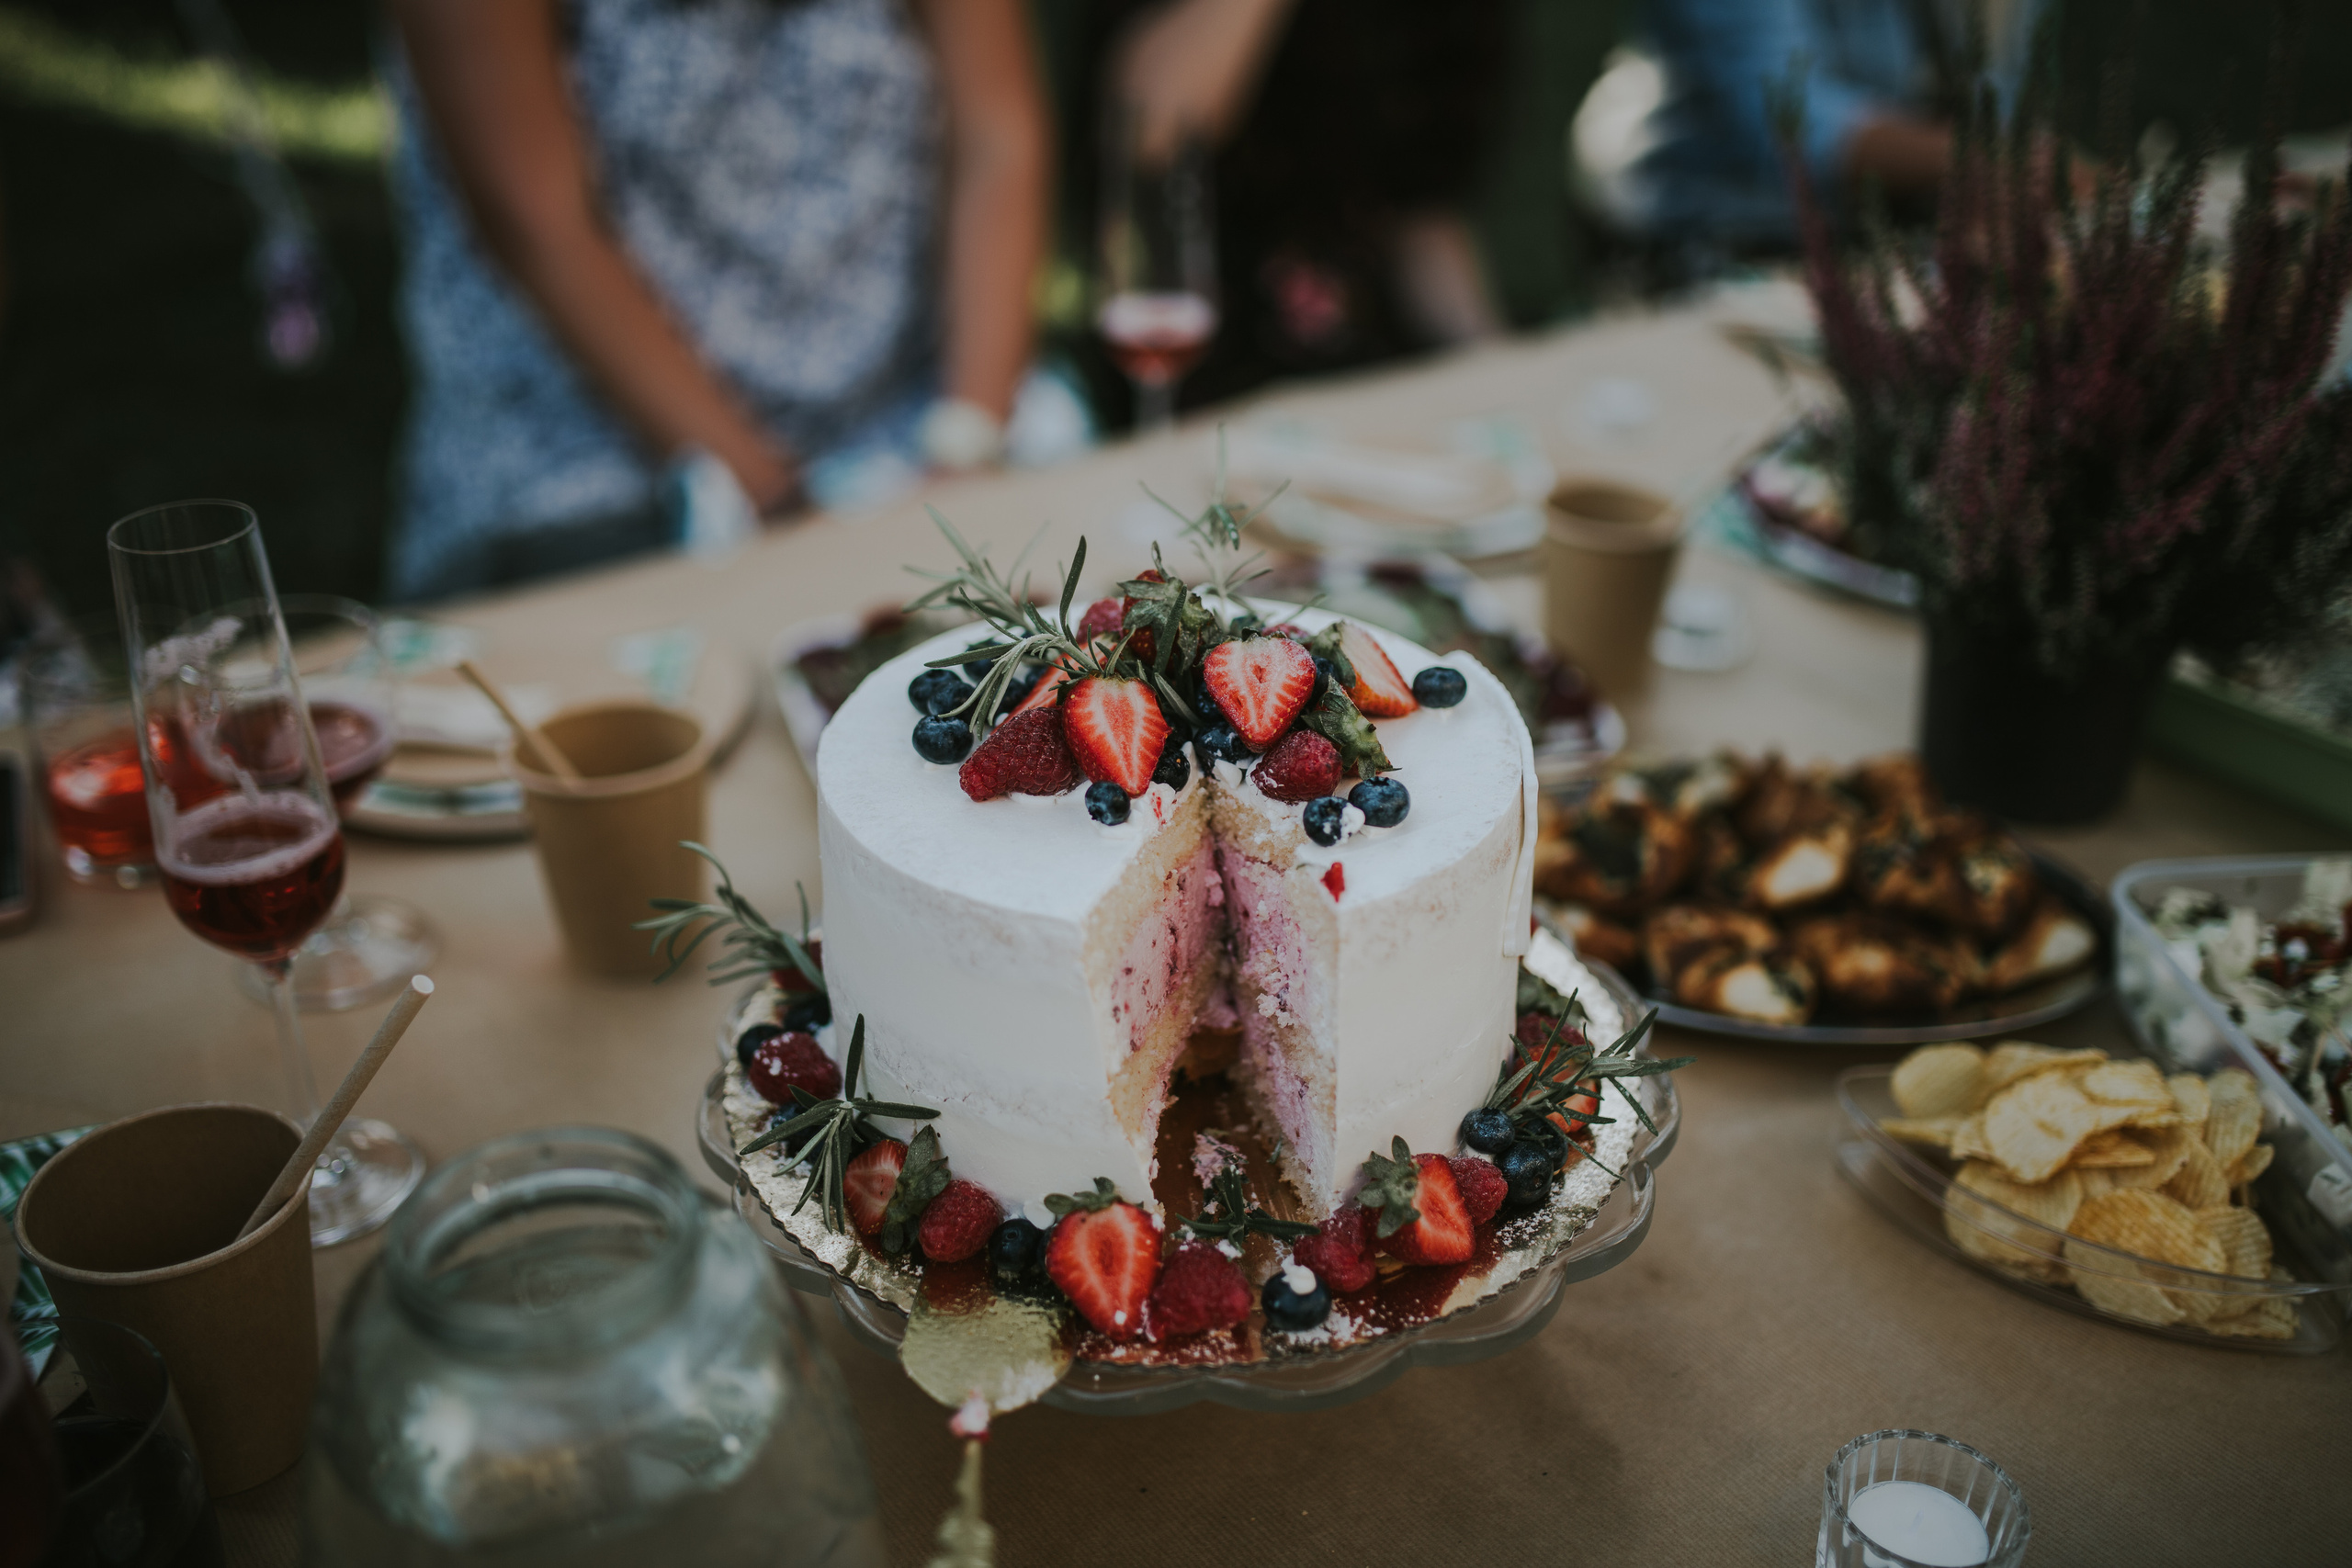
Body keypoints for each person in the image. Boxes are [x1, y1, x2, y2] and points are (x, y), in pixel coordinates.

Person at [383, 0, 1048, 600]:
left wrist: (967, 443)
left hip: (905, 425)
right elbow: (540, 227)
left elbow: (999, 137)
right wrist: (783, 506)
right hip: (585, 465)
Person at [1075, 0, 1510, 412]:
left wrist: (1494, 359)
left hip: (1373, 383)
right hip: (1207, 390)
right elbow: (1149, 133)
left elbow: (1420, 210)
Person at [1618, 0, 2050, 258]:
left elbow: (1990, 92)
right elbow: (1785, 120)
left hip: (1874, 240)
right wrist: (1996, 160)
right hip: (1705, 232)